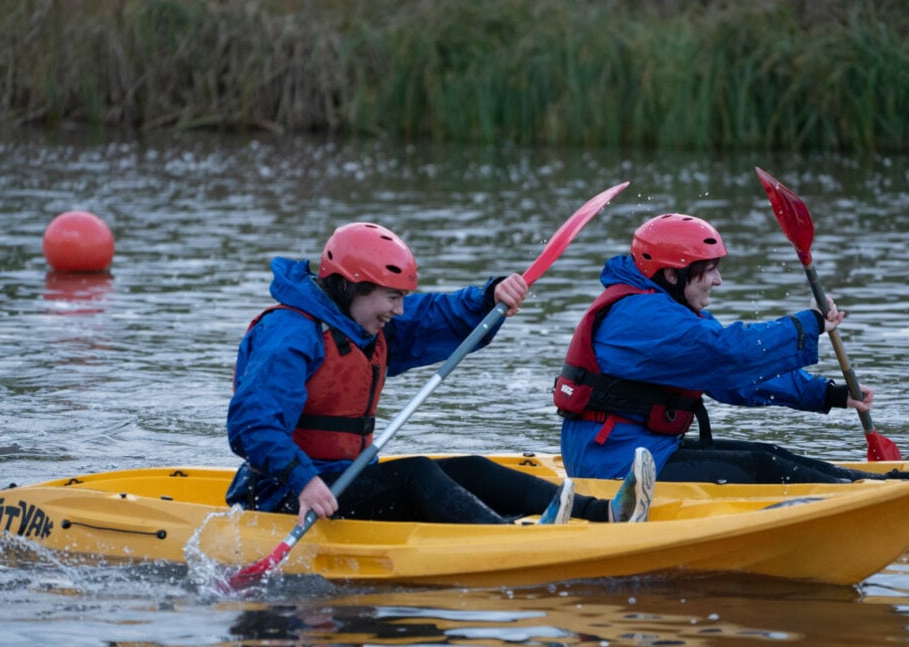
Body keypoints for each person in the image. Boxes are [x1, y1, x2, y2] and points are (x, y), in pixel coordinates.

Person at [225, 221, 655, 526]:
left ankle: (605, 513)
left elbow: (437, 317)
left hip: (342, 480)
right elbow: (252, 424)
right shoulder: (289, 334)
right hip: (284, 497)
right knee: (416, 475)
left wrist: (490, 297)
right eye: (392, 298)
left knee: (469, 468)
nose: (399, 310)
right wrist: (303, 482)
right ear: (354, 287)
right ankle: (505, 539)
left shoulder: (362, 325)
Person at [554, 212, 909, 484]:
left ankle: (878, 484)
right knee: (761, 468)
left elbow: (737, 380)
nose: (719, 280)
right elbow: (731, 354)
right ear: (672, 274)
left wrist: (827, 394)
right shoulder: (642, 316)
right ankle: (872, 492)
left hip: (638, 452)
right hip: (608, 466)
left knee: (769, 455)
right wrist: (808, 324)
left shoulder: (671, 310)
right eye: (710, 269)